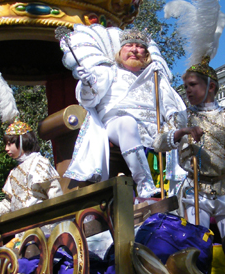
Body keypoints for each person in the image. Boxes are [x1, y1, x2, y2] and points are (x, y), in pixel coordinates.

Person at [60, 25, 185, 198]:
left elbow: (170, 104)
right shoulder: (108, 71)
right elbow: (89, 99)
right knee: (127, 123)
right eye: (129, 45)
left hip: (154, 130)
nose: (134, 50)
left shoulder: (155, 75)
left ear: (147, 53)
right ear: (120, 51)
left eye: (140, 46)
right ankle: (144, 183)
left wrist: (173, 121)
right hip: (117, 124)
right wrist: (87, 83)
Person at [154, 62, 225, 237]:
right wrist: (182, 131)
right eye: (185, 86)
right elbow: (157, 143)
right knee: (198, 242)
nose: (187, 90)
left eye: (193, 85)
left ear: (211, 87)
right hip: (195, 190)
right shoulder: (182, 118)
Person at [0, 120, 63, 221]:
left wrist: (57, 217)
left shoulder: (39, 162)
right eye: (6, 145)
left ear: (22, 141)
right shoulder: (13, 173)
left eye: (9, 144)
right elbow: (9, 203)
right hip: (22, 225)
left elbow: (54, 190)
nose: (6, 148)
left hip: (43, 221)